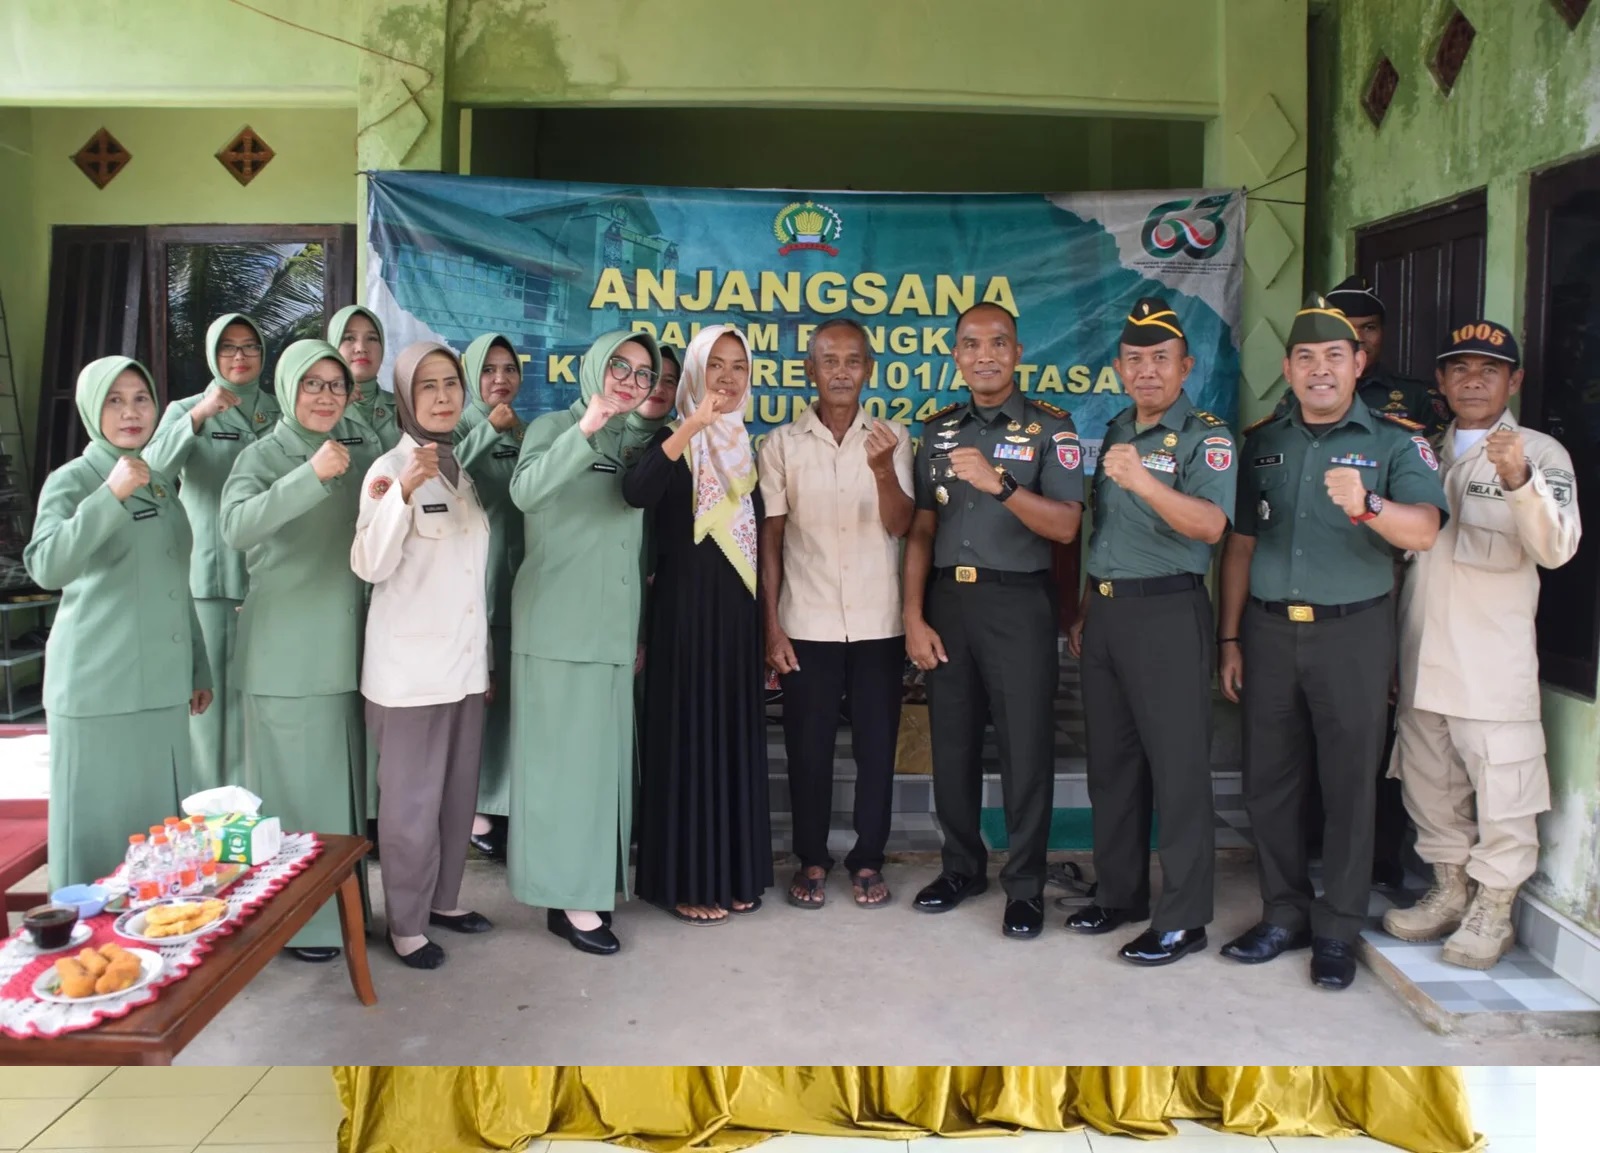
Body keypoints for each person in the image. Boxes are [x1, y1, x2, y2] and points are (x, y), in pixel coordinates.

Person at [1216, 294, 1449, 990]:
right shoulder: (1262, 442)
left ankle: (1338, 928)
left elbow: (1426, 531)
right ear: (1288, 367)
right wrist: (1229, 635)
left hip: (1353, 632)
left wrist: (1369, 504)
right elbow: (1240, 546)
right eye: (1307, 357)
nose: (1320, 370)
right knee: (1270, 782)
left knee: (1350, 784)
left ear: (1359, 364)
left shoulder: (1392, 441)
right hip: (1266, 628)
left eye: (1335, 357)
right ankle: (1283, 913)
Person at [1383, 320, 1580, 969]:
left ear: (1514, 380)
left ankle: (1493, 908)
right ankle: (1449, 890)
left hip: (1491, 665)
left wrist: (1519, 477)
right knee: (1427, 782)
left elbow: (1555, 550)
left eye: (1489, 369)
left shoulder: (1541, 451)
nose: (1473, 379)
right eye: (1460, 368)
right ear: (1440, 381)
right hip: (1420, 653)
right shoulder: (1414, 451)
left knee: (1505, 789)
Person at [904, 302, 1084, 939]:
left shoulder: (1050, 430)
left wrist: (1001, 484)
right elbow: (922, 527)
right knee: (950, 745)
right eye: (971, 344)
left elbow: (1066, 525)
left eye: (997, 343)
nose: (984, 355)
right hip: (950, 603)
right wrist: (913, 614)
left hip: (1018, 603)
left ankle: (1026, 886)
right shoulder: (937, 431)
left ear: (1017, 352)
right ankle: (961, 867)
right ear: (956, 355)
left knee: (1025, 748)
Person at [1063, 298, 1234, 965]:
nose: (1146, 372)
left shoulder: (1205, 436)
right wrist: (1084, 606)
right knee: (1112, 767)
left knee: (1180, 772)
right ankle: (1122, 893)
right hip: (1106, 614)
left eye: (1160, 360)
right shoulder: (1115, 429)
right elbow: (1106, 532)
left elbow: (1212, 526)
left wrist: (1145, 482)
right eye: (1134, 360)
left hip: (1168, 613)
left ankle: (1184, 917)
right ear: (1119, 368)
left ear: (1185, 366)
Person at [25, 357, 212, 890]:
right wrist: (109, 496)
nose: (131, 412)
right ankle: (89, 957)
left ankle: (156, 951)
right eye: (115, 400)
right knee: (99, 838)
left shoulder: (156, 480)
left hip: (161, 686)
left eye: (141, 398)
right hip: (98, 690)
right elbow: (47, 565)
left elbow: (176, 581)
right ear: (91, 408)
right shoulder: (75, 480)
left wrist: (198, 665)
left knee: (155, 838)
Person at [506, 330, 662, 954]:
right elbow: (525, 492)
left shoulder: (637, 442)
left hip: (613, 631)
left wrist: (640, 630)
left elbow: (641, 551)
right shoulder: (554, 426)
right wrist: (584, 430)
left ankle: (585, 886)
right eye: (619, 367)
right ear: (595, 368)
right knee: (563, 773)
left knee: (600, 772)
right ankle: (567, 898)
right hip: (558, 630)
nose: (629, 380)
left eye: (643, 374)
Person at [221, 339, 374, 962]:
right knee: (294, 799)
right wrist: (308, 476)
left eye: (335, 386)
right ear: (287, 388)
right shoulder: (265, 455)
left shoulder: (356, 454)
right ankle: (297, 923)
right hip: (286, 656)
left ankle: (345, 912)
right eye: (312, 384)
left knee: (342, 798)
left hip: (347, 650)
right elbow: (236, 527)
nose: (325, 396)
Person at [758, 317, 913, 910]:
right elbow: (771, 538)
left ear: (869, 370)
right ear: (810, 371)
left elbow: (901, 525)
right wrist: (771, 626)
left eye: (853, 360)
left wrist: (881, 470)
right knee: (808, 749)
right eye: (830, 360)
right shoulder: (780, 445)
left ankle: (868, 859)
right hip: (807, 622)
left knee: (877, 748)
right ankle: (813, 858)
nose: (842, 371)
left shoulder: (893, 438)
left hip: (879, 621)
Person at [624, 324, 773, 925]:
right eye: (716, 366)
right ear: (693, 374)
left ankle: (734, 873)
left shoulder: (748, 449)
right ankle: (684, 878)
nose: (729, 378)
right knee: (686, 739)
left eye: (739, 366)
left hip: (736, 618)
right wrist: (691, 427)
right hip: (682, 616)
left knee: (732, 737)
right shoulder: (671, 440)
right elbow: (635, 493)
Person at [353, 341, 494, 970]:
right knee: (409, 808)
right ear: (406, 396)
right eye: (427, 386)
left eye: (451, 384)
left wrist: (482, 663)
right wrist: (399, 497)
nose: (442, 396)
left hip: (462, 670)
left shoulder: (462, 471)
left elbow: (468, 580)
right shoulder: (389, 468)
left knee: (456, 799)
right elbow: (369, 564)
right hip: (408, 677)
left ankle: (443, 901)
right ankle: (405, 923)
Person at [143, 313, 280, 793]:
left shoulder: (280, 409)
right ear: (212, 355)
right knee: (206, 700)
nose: (240, 357)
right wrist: (198, 416)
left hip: (270, 575)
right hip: (211, 574)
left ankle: (252, 807)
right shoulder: (186, 408)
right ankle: (203, 808)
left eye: (249, 347)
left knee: (255, 703)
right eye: (228, 348)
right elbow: (152, 473)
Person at [454, 332, 526, 862]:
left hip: (519, 580)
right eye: (488, 370)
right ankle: (475, 810)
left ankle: (498, 806)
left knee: (506, 709)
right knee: (479, 701)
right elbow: (442, 474)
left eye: (508, 369)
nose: (499, 379)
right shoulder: (459, 425)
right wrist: (484, 429)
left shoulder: (524, 431)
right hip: (473, 584)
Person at [1325, 275, 1451, 436]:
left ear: (1383, 333)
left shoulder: (1418, 395)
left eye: (1369, 327)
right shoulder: (1302, 394)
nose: (1359, 339)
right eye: (1345, 327)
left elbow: (1439, 455)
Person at [330, 305, 401, 451]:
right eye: (349, 338)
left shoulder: (406, 410)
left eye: (372, 338)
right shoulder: (318, 411)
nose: (361, 347)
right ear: (332, 347)